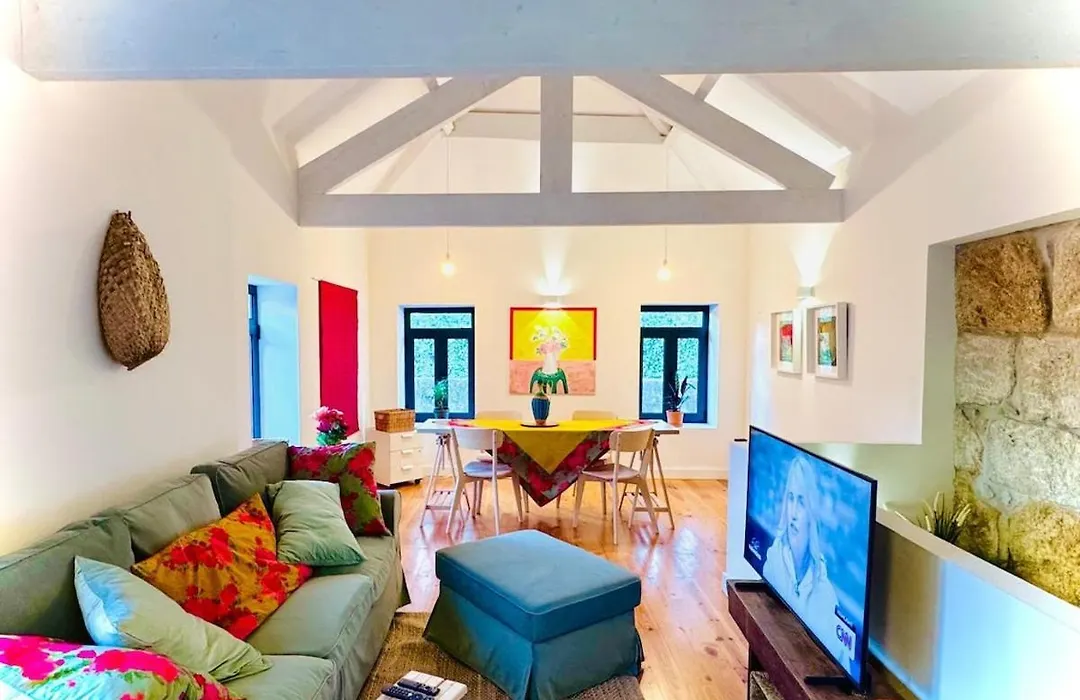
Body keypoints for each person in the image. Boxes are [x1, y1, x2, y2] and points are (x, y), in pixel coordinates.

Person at [762, 454, 853, 676]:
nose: (793, 512)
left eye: (801, 502)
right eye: (790, 498)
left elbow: (843, 670)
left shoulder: (826, 595)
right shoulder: (773, 559)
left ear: (812, 513)